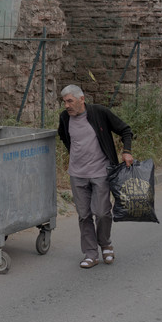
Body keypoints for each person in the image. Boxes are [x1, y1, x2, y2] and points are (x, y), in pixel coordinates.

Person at [57, 84, 134, 269]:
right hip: (77, 174)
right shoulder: (64, 118)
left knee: (101, 213)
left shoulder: (99, 112)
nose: (66, 106)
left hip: (100, 172)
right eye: (64, 102)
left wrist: (126, 151)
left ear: (81, 99)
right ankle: (91, 254)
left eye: (70, 101)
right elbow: (64, 136)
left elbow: (125, 130)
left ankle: (106, 244)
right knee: (84, 216)